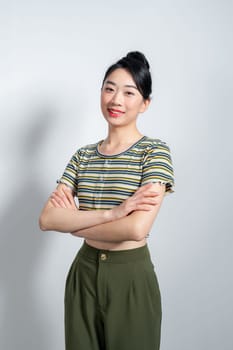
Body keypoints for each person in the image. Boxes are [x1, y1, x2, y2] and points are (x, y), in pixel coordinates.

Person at [39, 51, 174, 350]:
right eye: (109, 88)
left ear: (145, 103)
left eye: (129, 92)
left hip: (130, 278)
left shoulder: (154, 153)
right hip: (83, 274)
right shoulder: (83, 156)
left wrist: (75, 224)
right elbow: (47, 219)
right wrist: (115, 213)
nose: (116, 100)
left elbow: (136, 229)